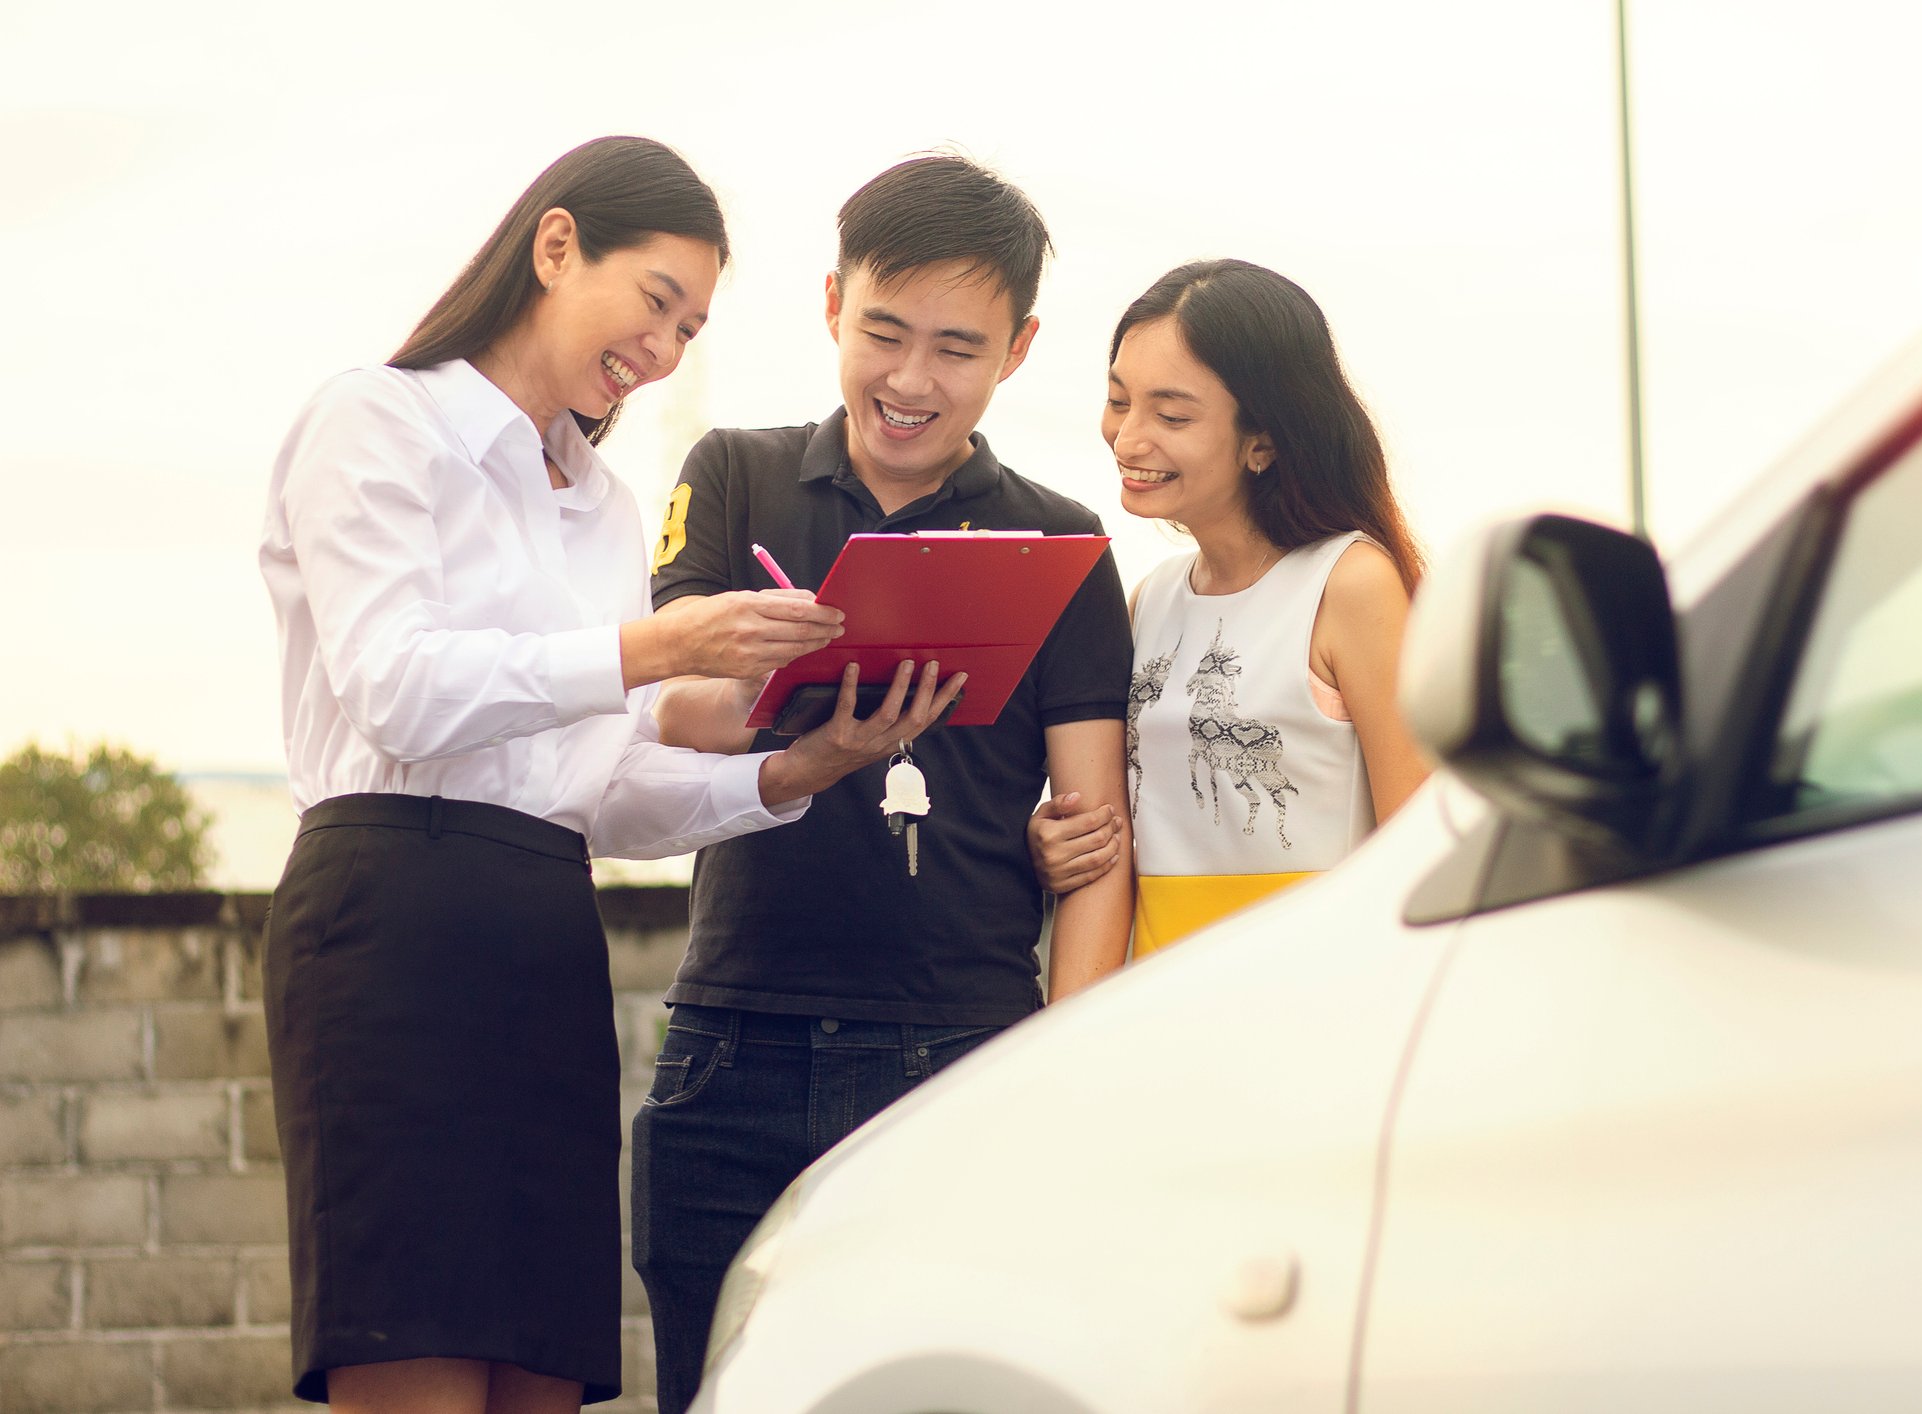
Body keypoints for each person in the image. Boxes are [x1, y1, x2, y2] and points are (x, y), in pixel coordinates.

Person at [257, 137, 953, 1414]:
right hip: (389, 923)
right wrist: (657, 644)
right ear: (557, 244)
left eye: (690, 326)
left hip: (542, 928)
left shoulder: (603, 501)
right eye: (655, 301)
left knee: (541, 1379)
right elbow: (399, 690)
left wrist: (800, 766)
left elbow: (604, 785)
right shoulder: (379, 418)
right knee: (414, 1359)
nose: (665, 349)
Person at [633, 153, 1135, 1412]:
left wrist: (1056, 1070)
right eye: (883, 333)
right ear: (829, 306)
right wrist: (782, 668)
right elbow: (662, 710)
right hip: (729, 1041)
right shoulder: (730, 474)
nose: (911, 381)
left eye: (956, 349)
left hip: (959, 1048)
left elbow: (1095, 832)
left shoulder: (1064, 543)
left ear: (1016, 350)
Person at [1030, 259, 1427, 955]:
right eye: (1119, 400)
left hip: (1311, 1006)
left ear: (1263, 439)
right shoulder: (1151, 599)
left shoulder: (1351, 584)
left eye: (1171, 414)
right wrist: (1049, 842)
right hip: (1162, 1009)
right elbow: (1130, 828)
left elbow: (1420, 846)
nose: (1127, 439)